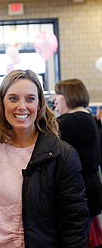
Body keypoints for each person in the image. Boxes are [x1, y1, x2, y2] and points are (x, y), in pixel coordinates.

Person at [0, 69, 89, 247]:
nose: (22, 106)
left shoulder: (61, 155)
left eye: (30, 99)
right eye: (13, 98)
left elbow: (74, 224)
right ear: (2, 103)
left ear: (40, 104)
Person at [54, 78, 102, 232]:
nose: (55, 99)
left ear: (69, 95)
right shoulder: (87, 117)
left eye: (58, 94)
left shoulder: (70, 121)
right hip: (89, 191)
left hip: (79, 194)